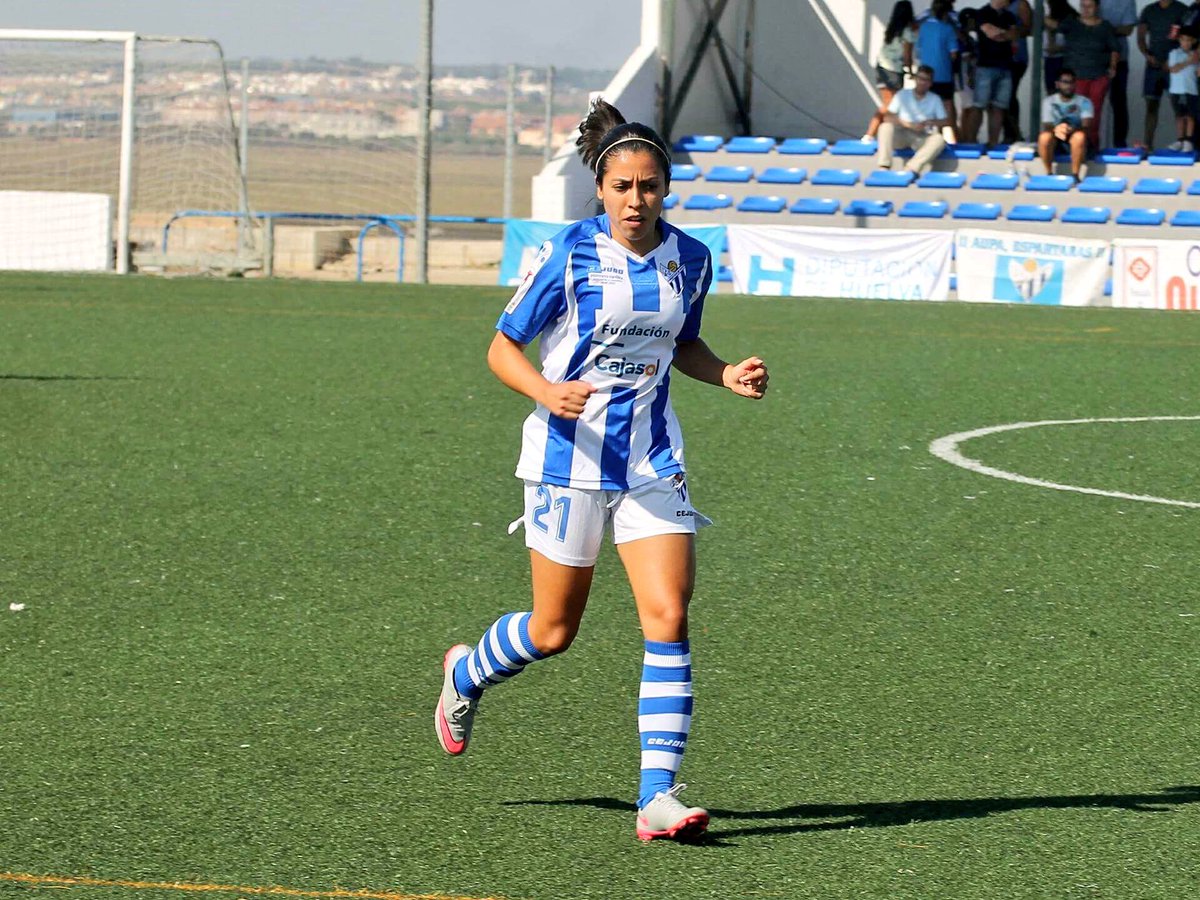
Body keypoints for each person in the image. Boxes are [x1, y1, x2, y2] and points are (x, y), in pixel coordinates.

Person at [433, 98, 769, 844]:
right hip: (568, 460)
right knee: (554, 632)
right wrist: (547, 391)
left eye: (649, 186)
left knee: (669, 616)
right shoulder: (569, 255)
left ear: (666, 189)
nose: (636, 200)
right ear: (601, 188)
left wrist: (727, 374)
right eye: (623, 187)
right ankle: (466, 673)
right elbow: (501, 348)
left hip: (652, 459)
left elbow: (683, 346)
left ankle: (657, 797)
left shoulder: (692, 259)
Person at [1048, 0, 1120, 150]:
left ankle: (1091, 146)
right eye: (1083, 6)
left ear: (1097, 7)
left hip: (1098, 76)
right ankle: (1070, 146)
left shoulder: (1105, 27)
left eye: (1090, 6)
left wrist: (1113, 67)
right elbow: (1053, 26)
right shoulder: (1071, 23)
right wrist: (1040, 15)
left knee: (1093, 115)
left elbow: (1114, 49)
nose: (1086, 9)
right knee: (1072, 113)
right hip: (1074, 78)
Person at [876, 64, 952, 171]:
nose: (922, 82)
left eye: (926, 80)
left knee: (939, 140)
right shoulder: (902, 94)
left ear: (930, 83)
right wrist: (908, 124)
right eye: (920, 78)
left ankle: (911, 168)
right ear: (915, 79)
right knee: (885, 127)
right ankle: (884, 166)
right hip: (902, 133)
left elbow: (945, 121)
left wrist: (930, 122)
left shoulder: (935, 99)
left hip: (922, 136)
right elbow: (887, 117)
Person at [1138, 0, 1190, 148]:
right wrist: (1147, 55)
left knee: (1180, 107)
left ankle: (1184, 143)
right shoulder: (1149, 10)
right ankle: (1148, 145)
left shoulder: (1182, 10)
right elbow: (1141, 37)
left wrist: (1175, 59)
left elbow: (1191, 37)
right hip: (1153, 66)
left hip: (1176, 67)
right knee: (1151, 106)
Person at [866, 0, 919, 139]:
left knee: (890, 103)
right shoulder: (907, 32)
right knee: (891, 104)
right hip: (894, 70)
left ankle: (879, 134)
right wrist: (911, 72)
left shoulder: (891, 29)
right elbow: (907, 55)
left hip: (881, 67)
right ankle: (870, 134)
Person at [973, 0, 1022, 146]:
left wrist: (1001, 33)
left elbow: (1014, 35)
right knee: (979, 106)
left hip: (1006, 66)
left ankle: (992, 143)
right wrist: (1004, 33)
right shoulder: (982, 13)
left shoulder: (1010, 16)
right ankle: (969, 142)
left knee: (999, 107)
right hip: (986, 66)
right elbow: (991, 33)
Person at [1037, 67, 1095, 179]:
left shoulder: (1084, 102)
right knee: (1044, 137)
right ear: (1057, 84)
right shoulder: (1049, 101)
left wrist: (1071, 129)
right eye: (1065, 82)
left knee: (1079, 137)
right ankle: (1049, 173)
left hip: (1076, 137)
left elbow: (1086, 127)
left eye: (1072, 82)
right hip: (1057, 138)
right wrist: (1057, 130)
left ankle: (1075, 175)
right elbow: (1047, 125)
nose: (1069, 86)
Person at [916, 0, 961, 139]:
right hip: (943, 73)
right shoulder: (948, 29)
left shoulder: (923, 27)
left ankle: (931, 137)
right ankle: (951, 137)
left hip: (926, 73)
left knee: (926, 105)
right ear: (947, 13)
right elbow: (953, 53)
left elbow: (918, 50)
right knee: (947, 106)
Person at [1099, 0, 1139, 146]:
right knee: (1092, 100)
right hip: (1096, 55)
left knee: (1118, 101)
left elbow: (1128, 29)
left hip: (1119, 56)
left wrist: (1104, 30)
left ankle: (1119, 142)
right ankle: (1090, 141)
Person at [1002, 0, 1034, 143]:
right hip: (1000, 58)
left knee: (1009, 95)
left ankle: (1014, 133)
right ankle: (1008, 133)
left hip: (1017, 57)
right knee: (1001, 98)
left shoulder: (1021, 4)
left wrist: (1011, 32)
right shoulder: (999, 4)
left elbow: (1029, 28)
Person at [1166, 27, 1199, 150]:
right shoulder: (1174, 53)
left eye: (1189, 40)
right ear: (1179, 40)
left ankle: (1188, 141)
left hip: (1191, 90)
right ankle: (1180, 140)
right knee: (1179, 116)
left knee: (1190, 116)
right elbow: (1174, 69)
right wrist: (1189, 61)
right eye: (1183, 40)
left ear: (1193, 41)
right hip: (1176, 90)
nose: (1186, 43)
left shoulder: (1196, 55)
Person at [1043, 0, 1080, 94]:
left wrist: (1059, 48)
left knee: (1066, 91)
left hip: (1066, 60)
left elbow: (1076, 42)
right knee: (1052, 92)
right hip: (1050, 59)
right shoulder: (1048, 18)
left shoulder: (1071, 18)